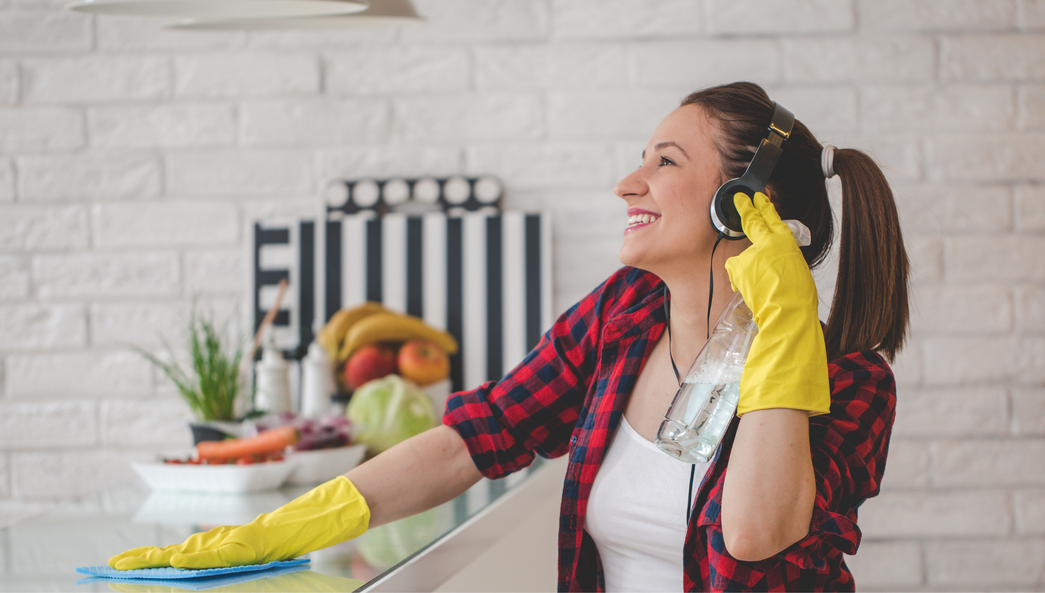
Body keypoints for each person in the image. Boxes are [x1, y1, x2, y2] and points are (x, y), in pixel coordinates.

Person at [110, 81, 908, 592]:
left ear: (744, 201)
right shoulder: (625, 316)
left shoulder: (852, 384)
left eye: (663, 161)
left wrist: (788, 323)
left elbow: (754, 535)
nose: (627, 182)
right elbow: (477, 434)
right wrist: (290, 524)